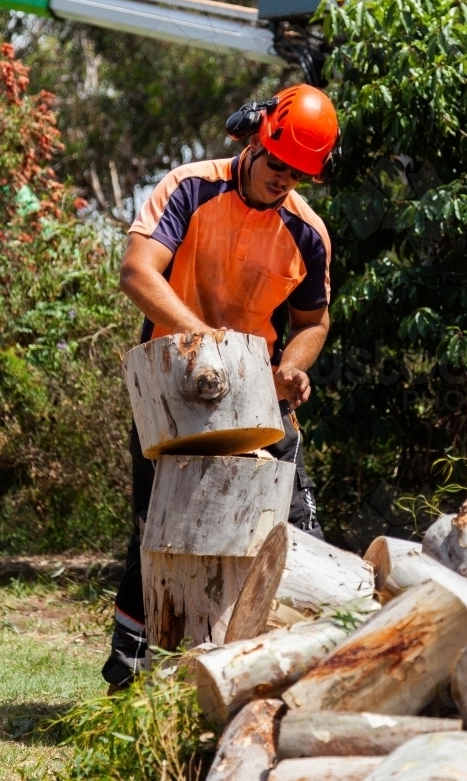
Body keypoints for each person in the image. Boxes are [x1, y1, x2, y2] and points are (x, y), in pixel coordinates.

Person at [101, 84, 340, 690]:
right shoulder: (190, 187)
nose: (284, 179)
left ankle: (303, 674)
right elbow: (137, 273)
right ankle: (128, 680)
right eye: (278, 165)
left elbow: (313, 321)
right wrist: (211, 344)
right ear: (258, 139)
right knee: (159, 533)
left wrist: (292, 366)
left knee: (298, 535)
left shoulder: (307, 233)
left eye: (298, 175)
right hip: (172, 384)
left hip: (259, 392)